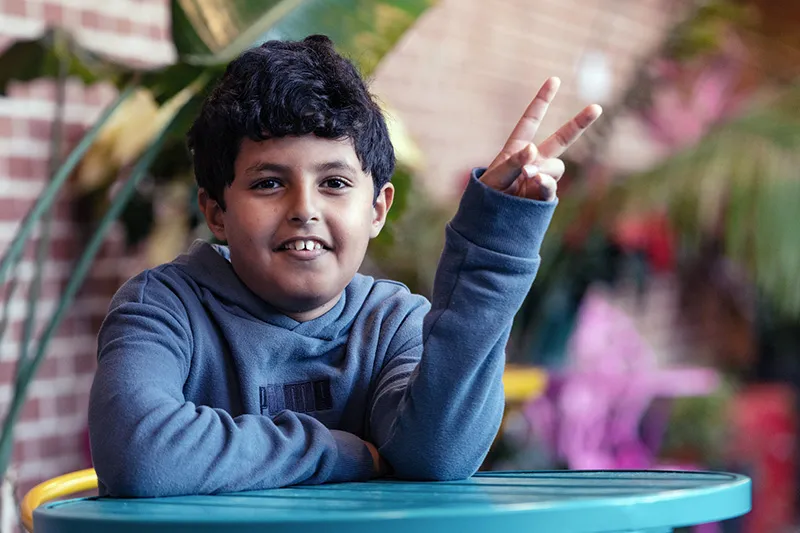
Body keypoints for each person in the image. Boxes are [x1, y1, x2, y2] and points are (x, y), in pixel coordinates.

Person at [88, 34, 602, 497]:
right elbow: (139, 455)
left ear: (377, 209)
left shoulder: (392, 324)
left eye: (334, 183)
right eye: (269, 183)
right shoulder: (163, 308)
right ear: (216, 211)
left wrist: (493, 244)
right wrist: (341, 453)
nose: (304, 208)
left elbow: (437, 453)